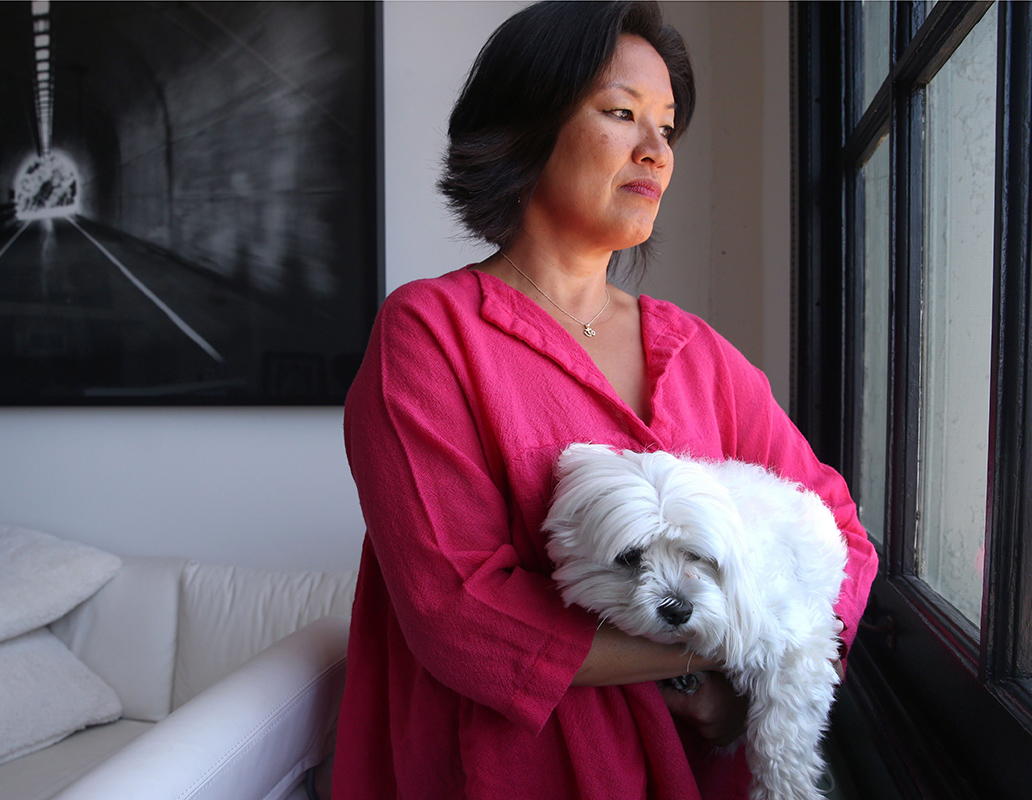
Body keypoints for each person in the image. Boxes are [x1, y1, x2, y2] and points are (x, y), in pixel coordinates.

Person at [331, 2, 878, 798]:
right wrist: (707, 664)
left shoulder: (697, 353)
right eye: (622, 114)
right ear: (526, 126)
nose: (655, 151)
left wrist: (769, 680)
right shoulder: (430, 334)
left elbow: (842, 536)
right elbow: (459, 613)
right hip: (510, 771)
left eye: (667, 127)